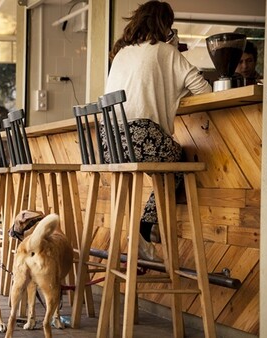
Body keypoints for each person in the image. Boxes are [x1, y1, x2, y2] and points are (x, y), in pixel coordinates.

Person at [105, 1, 211, 258]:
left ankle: (144, 231)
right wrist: (173, 52)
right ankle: (145, 227)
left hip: (110, 144)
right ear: (166, 26)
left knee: (168, 161)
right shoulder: (165, 51)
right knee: (177, 160)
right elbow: (204, 90)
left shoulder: (121, 53)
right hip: (142, 139)